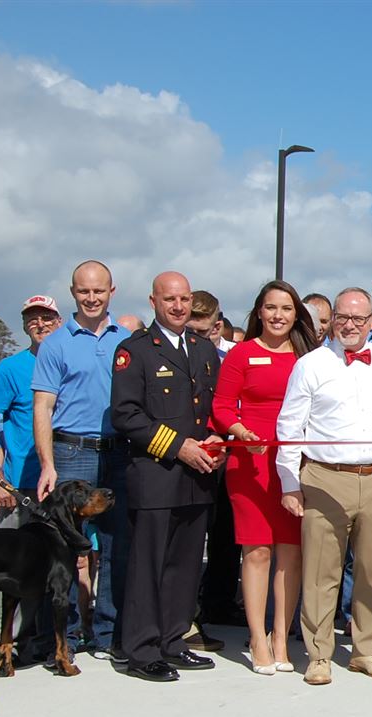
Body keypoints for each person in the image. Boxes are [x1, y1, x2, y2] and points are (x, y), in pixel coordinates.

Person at [276, 287, 372, 686]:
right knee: (322, 571)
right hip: (324, 477)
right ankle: (319, 654)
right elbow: (290, 427)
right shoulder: (310, 364)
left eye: (360, 318)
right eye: (343, 317)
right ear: (332, 320)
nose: (351, 325)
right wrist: (290, 482)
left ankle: (367, 650)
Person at [110, 271, 225, 682]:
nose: (178, 307)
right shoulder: (134, 350)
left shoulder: (203, 349)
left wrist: (215, 437)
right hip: (157, 473)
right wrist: (180, 447)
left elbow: (211, 407)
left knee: (185, 565)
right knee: (148, 566)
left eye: (184, 299)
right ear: (153, 301)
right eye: (169, 299)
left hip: (198, 477)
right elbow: (126, 415)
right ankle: (141, 650)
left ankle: (174, 641)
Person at [212, 280, 318, 674]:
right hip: (250, 462)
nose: (278, 316)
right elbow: (222, 406)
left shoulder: (310, 357)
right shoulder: (241, 353)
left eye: (286, 309)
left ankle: (280, 635)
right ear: (259, 312)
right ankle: (257, 636)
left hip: (296, 463)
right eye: (271, 308)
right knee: (257, 551)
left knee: (291, 552)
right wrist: (240, 433)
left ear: (296, 315)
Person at [32, 260, 132, 659]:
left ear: (112, 291)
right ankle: (66, 634)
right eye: (84, 291)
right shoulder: (56, 342)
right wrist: (47, 464)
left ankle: (108, 632)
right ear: (73, 293)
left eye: (99, 291)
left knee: (115, 545)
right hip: (71, 453)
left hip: (117, 452)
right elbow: (43, 406)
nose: (92, 298)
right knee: (65, 548)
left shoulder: (125, 340)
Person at [186, 291, 242, 636]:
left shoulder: (232, 358)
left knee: (226, 537)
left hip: (227, 455)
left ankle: (219, 603)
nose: (196, 338)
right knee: (191, 541)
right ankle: (188, 612)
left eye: (202, 331)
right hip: (188, 453)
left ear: (217, 326)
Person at [0, 296, 62, 506]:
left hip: (68, 483)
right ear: (25, 326)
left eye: (46, 317)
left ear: (59, 321)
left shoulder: (74, 362)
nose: (40, 324)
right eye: (32, 319)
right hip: (22, 486)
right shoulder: (10, 368)